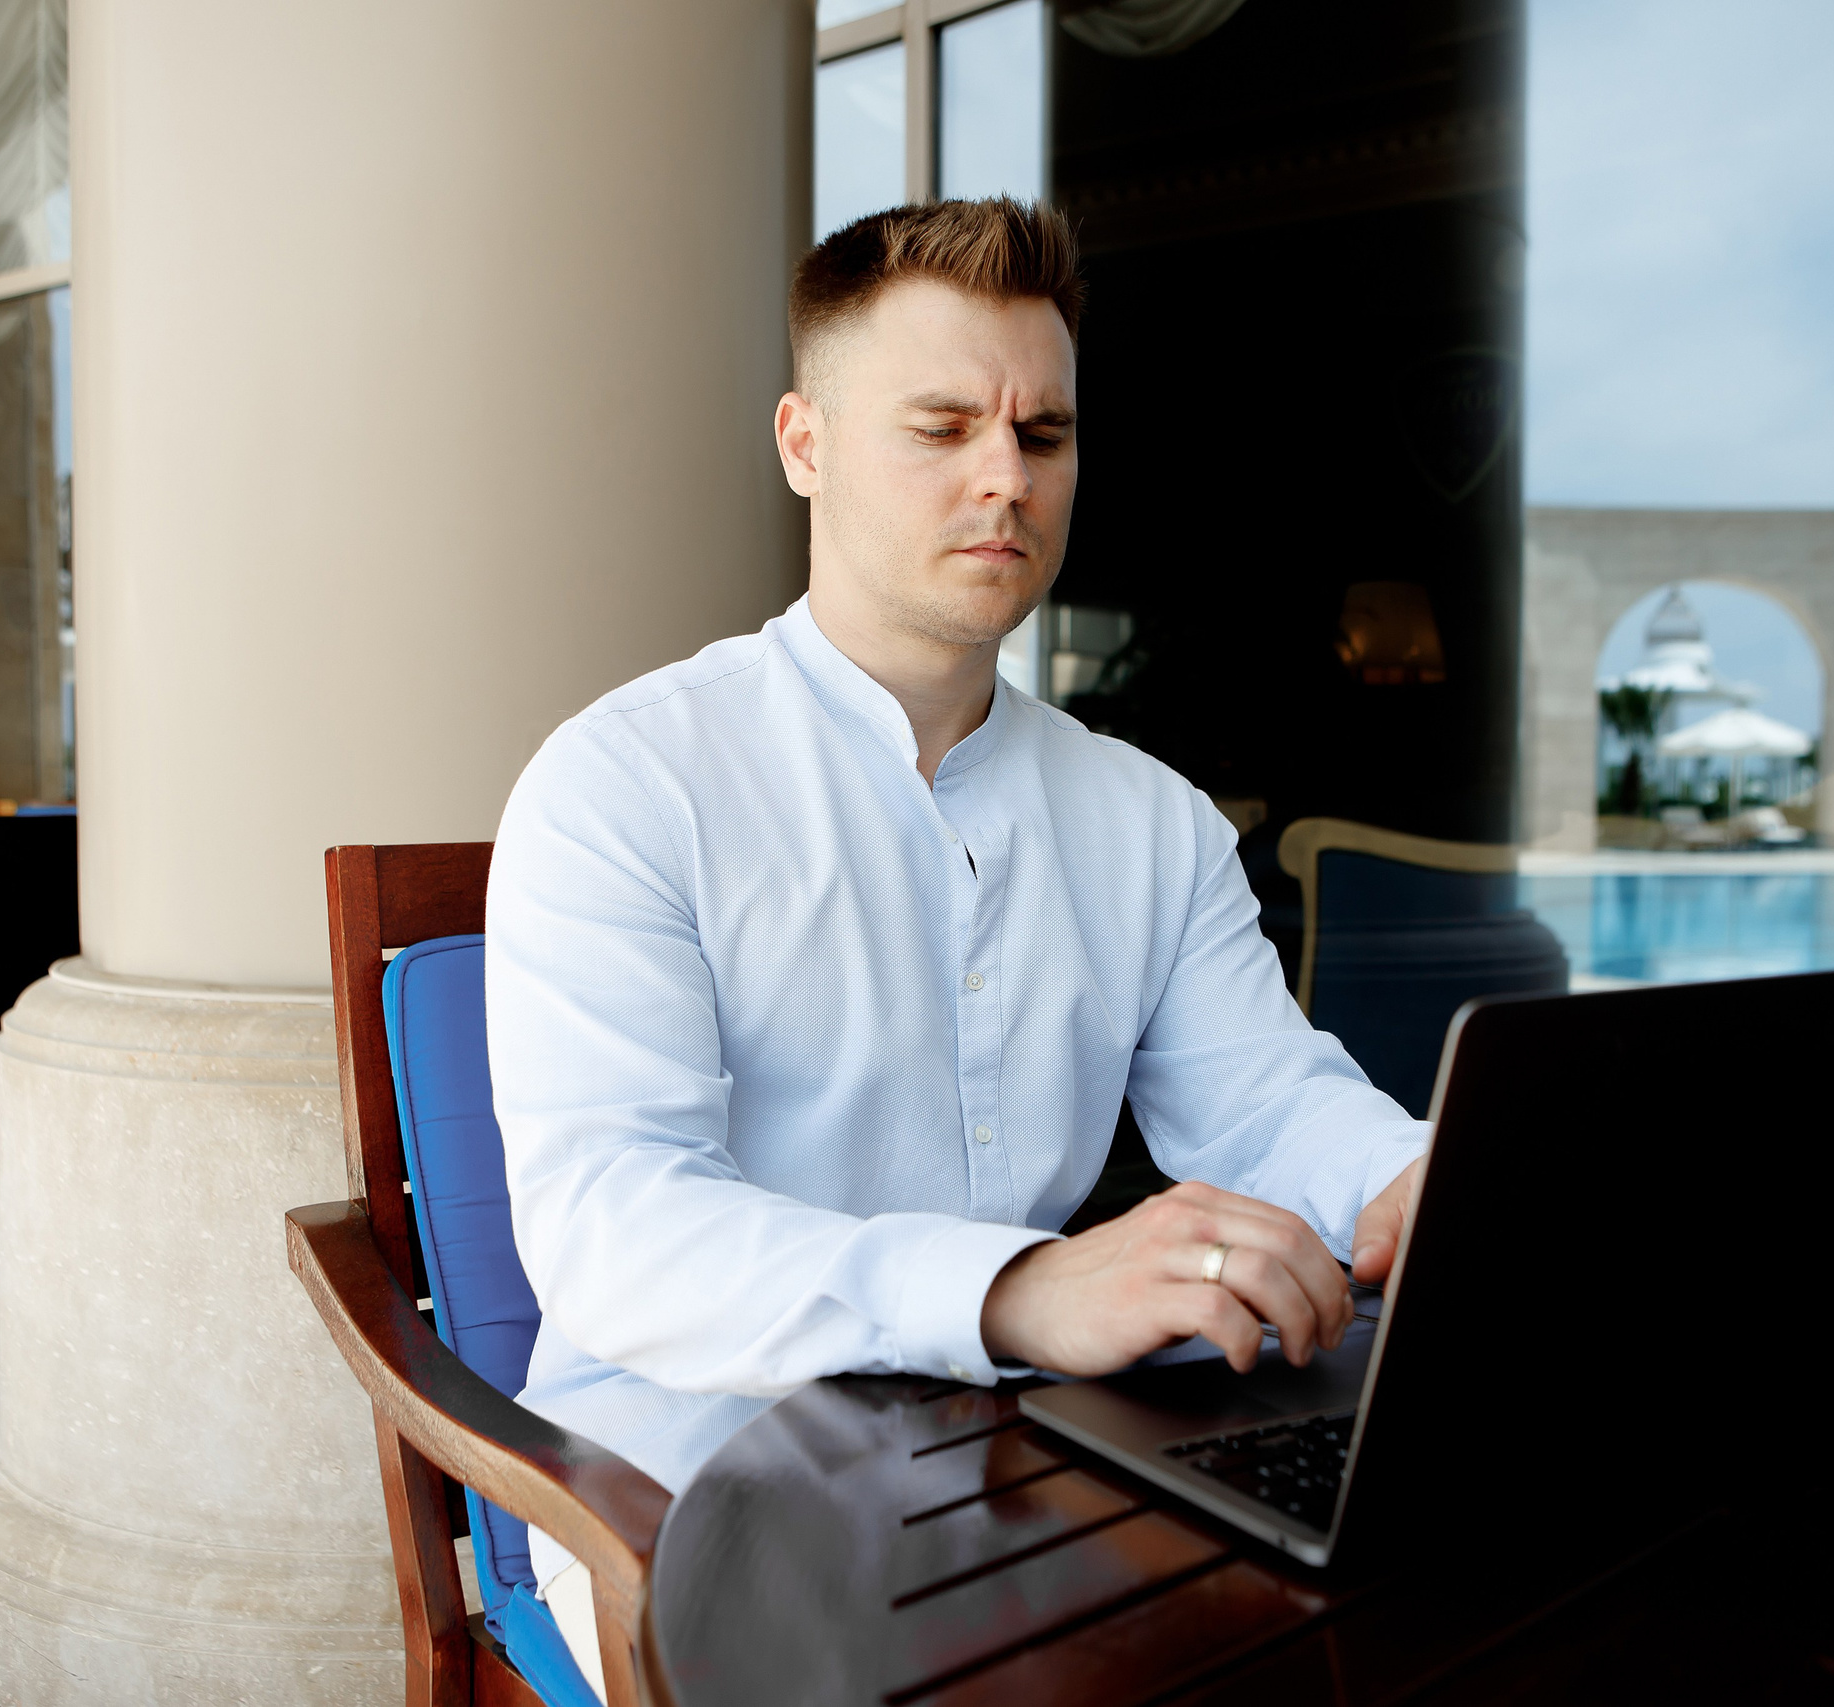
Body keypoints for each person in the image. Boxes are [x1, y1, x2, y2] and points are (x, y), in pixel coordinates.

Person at [485, 198, 1428, 1693]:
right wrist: (1015, 1286)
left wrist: (1413, 1179)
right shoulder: (626, 784)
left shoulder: (1151, 818)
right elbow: (618, 1230)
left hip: (1031, 1440)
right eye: (941, 426)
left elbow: (1262, 1102)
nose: (1005, 477)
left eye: (1042, 434)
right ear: (805, 443)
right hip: (687, 1465)